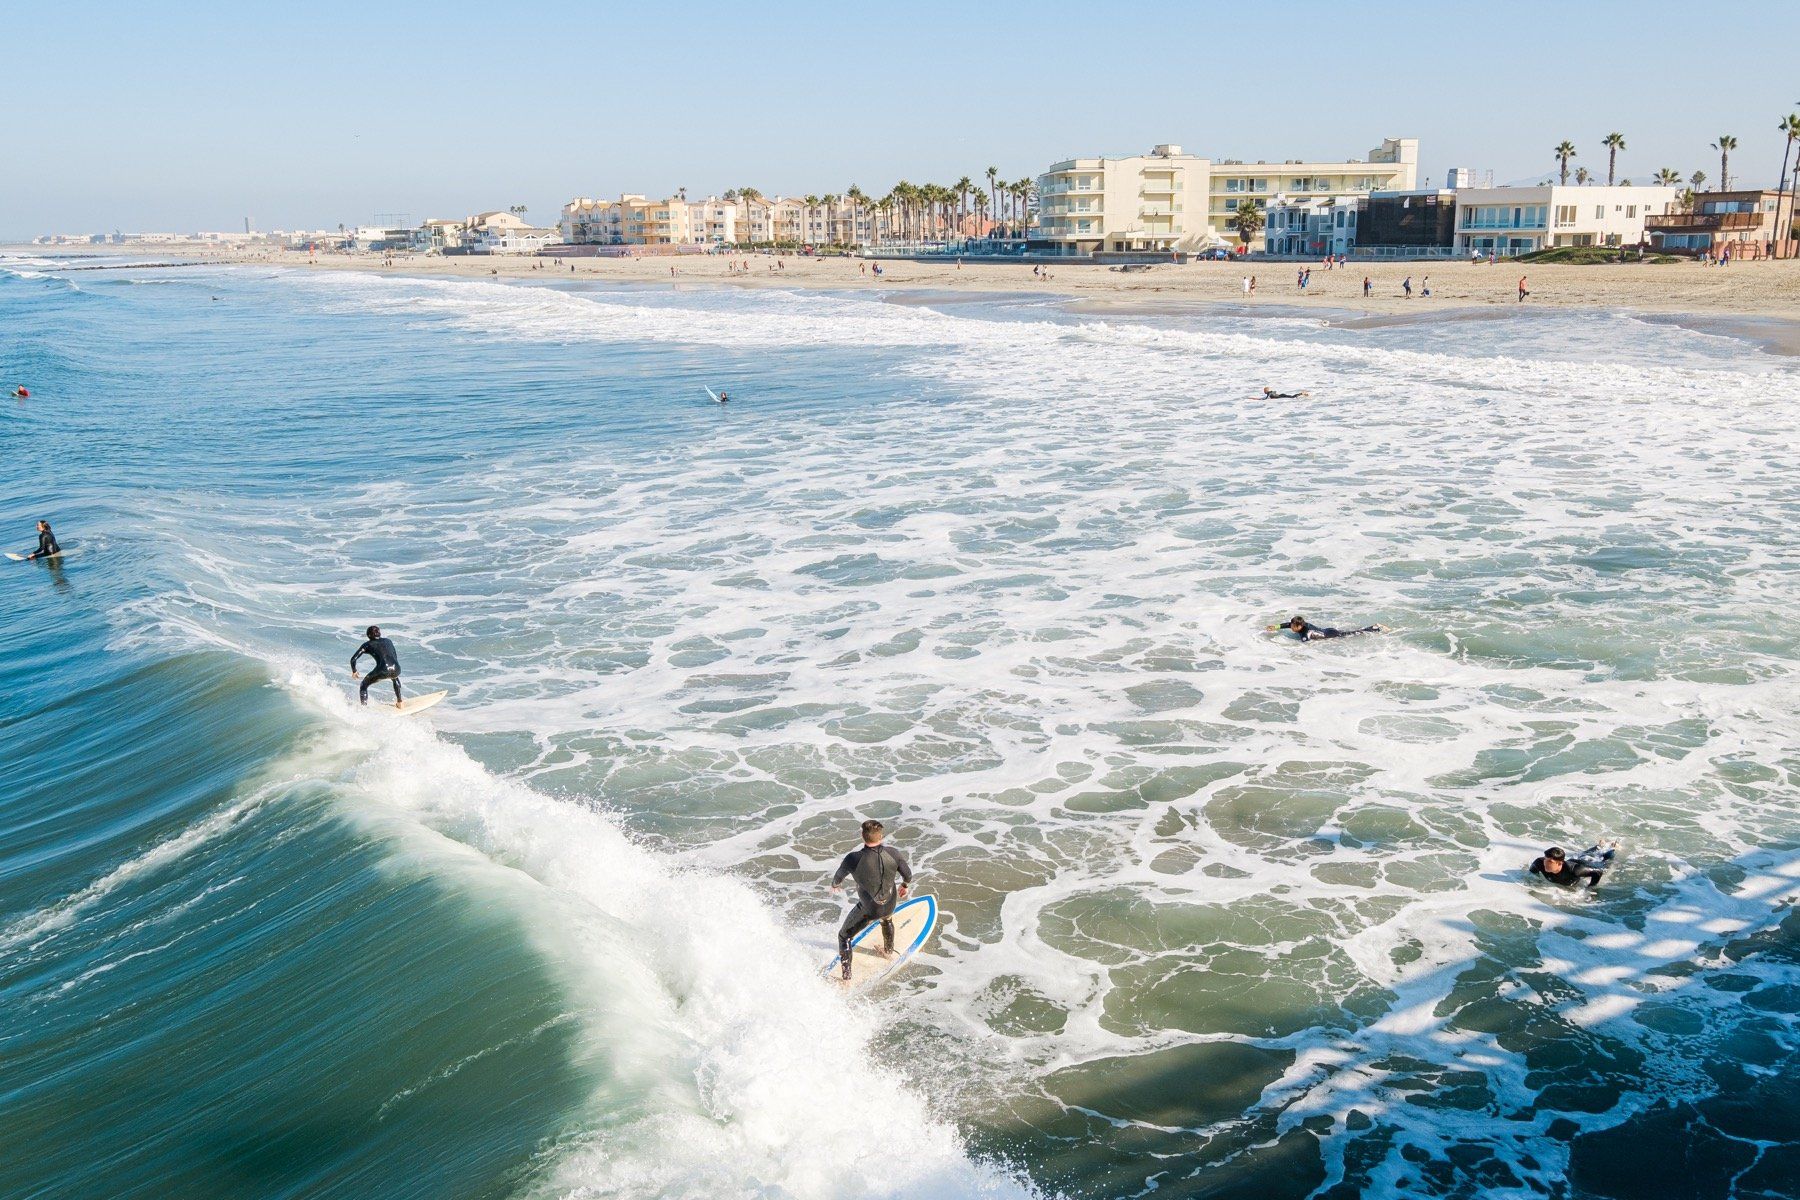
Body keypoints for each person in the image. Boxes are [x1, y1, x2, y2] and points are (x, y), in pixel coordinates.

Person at [830, 818, 913, 982]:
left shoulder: (853, 858)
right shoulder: (893, 853)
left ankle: (846, 978)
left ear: (863, 836)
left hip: (869, 909)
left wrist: (835, 885)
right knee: (887, 918)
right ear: (881, 836)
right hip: (890, 903)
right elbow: (908, 875)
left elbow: (839, 875)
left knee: (844, 937)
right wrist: (904, 885)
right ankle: (888, 952)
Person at [350, 624, 404, 707]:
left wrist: (354, 671)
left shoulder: (367, 645)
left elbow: (353, 659)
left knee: (363, 685)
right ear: (379, 633)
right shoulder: (388, 641)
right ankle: (400, 702)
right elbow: (394, 657)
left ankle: (363, 709)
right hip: (397, 669)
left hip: (383, 670)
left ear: (368, 635)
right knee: (394, 677)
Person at [1528, 842, 1617, 890]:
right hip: (1571, 861)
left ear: (1559, 863)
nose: (1545, 863)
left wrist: (1589, 889)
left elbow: (1598, 873)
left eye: (1549, 861)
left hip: (1583, 864)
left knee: (1604, 862)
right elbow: (1531, 875)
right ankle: (1598, 846)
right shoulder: (1539, 863)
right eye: (1545, 859)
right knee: (1584, 854)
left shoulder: (1576, 871)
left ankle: (1612, 848)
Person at [1270, 615, 1384, 640]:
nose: (1291, 628)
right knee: (1352, 632)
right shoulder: (1300, 624)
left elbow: (1306, 644)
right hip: (1327, 630)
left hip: (1330, 634)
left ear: (1299, 626)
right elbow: (1287, 624)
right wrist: (1275, 627)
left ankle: (1375, 628)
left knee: (1354, 633)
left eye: (1293, 627)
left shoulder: (1306, 633)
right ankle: (1373, 627)